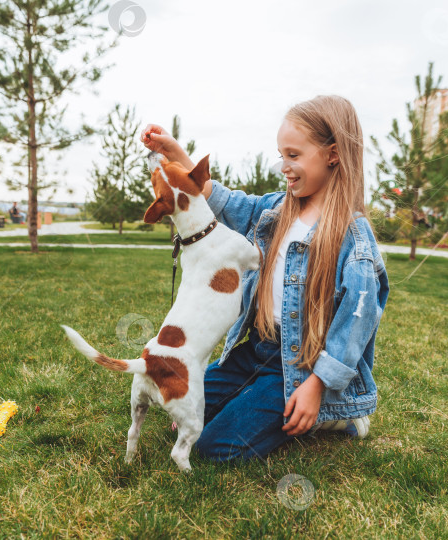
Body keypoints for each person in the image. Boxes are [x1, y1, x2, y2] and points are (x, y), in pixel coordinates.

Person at [139, 94, 389, 462]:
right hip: (256, 349)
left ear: (332, 154)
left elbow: (356, 324)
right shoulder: (276, 209)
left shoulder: (353, 239)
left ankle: (334, 416)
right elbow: (222, 200)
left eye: (293, 155)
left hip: (302, 367)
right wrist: (176, 153)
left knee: (214, 449)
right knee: (182, 417)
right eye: (281, 154)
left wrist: (317, 386)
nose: (283, 166)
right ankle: (259, 398)